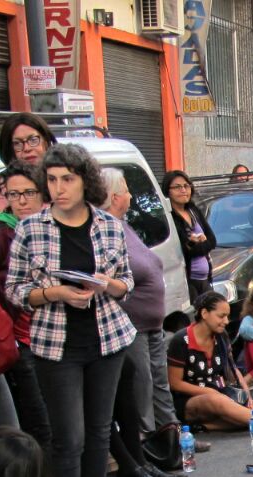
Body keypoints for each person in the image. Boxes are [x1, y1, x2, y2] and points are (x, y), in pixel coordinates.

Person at [7, 143, 135, 477]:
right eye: (52, 179)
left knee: (99, 430)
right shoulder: (30, 228)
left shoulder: (109, 226)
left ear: (85, 181)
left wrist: (107, 285)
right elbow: (13, 290)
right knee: (68, 436)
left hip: (107, 338)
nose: (59, 188)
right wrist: (55, 294)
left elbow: (127, 283)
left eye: (68, 179)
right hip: (55, 344)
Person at [0, 162, 54, 452]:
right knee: (41, 425)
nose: (21, 201)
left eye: (29, 193)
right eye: (14, 194)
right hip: (20, 341)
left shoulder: (49, 228)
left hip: (53, 338)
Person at [101, 167, 179, 442]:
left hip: (151, 322)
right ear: (113, 197)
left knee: (159, 380)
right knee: (142, 383)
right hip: (131, 323)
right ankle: (148, 442)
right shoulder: (105, 230)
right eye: (125, 190)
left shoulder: (125, 225)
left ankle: (171, 436)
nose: (130, 195)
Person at [168, 291, 253, 430]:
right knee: (224, 405)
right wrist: (209, 392)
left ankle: (205, 426)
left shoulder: (221, 335)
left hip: (220, 392)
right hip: (189, 400)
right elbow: (175, 383)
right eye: (221, 316)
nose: (227, 321)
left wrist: (248, 397)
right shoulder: (181, 340)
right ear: (204, 314)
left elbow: (233, 369)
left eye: (227, 316)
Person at [161, 170, 216, 300]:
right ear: (167, 191)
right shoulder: (169, 217)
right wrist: (196, 244)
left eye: (186, 186)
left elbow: (212, 240)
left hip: (205, 279)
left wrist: (198, 244)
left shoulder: (193, 210)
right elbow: (182, 251)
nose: (183, 190)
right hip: (187, 281)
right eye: (177, 187)